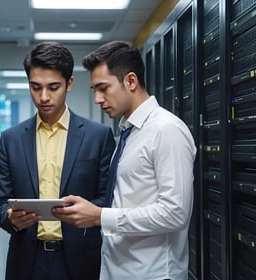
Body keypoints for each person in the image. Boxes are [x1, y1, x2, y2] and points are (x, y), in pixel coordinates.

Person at [52, 40, 197, 279]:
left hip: (153, 273)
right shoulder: (129, 132)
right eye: (94, 91)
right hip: (119, 268)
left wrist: (100, 216)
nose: (98, 99)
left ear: (130, 81)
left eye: (103, 88)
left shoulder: (166, 129)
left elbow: (175, 213)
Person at [0, 41, 116, 280]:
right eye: (35, 87)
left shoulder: (98, 136)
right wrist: (10, 217)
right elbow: (0, 203)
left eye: (53, 87)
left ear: (69, 84)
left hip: (80, 260)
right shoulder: (11, 139)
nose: (43, 97)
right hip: (26, 261)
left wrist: (86, 214)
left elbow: (107, 199)